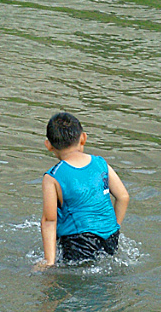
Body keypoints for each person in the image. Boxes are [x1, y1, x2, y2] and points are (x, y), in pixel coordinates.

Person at [36, 112, 129, 269]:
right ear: (83, 138)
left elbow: (49, 220)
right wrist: (114, 228)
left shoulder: (53, 176)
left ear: (48, 145)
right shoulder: (101, 163)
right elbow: (123, 197)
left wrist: (48, 261)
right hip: (111, 236)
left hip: (80, 241)